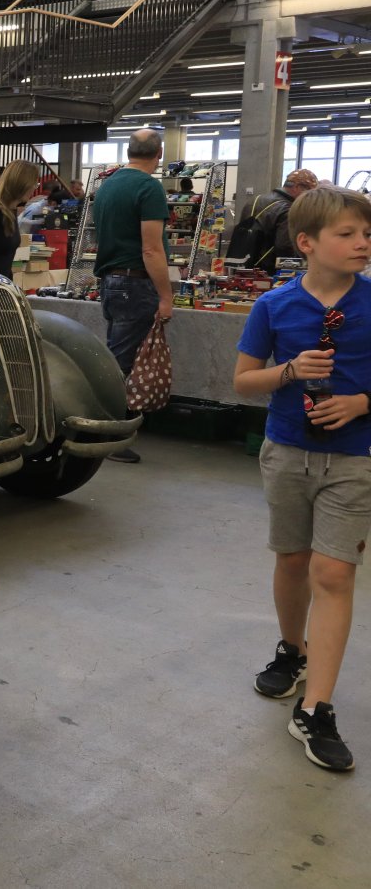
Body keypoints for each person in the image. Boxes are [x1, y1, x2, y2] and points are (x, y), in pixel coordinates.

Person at [233, 185, 371, 773]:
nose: (362, 243)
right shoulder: (274, 306)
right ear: (307, 242)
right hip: (287, 452)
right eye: (348, 234)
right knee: (292, 560)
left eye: (367, 234)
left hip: (354, 459)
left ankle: (316, 709)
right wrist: (288, 371)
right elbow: (244, 381)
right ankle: (293, 649)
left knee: (334, 573)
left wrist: (361, 402)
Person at [92, 127, 174, 464]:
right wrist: (166, 296)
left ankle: (107, 429)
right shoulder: (148, 187)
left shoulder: (108, 185)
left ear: (128, 151)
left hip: (112, 281)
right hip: (135, 283)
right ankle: (107, 435)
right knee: (121, 363)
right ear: (159, 154)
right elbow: (152, 249)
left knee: (116, 356)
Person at [254, 169, 321, 271]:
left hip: (243, 263)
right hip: (267, 270)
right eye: (309, 193)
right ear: (297, 187)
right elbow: (285, 247)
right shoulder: (288, 210)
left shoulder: (256, 199)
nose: (309, 198)